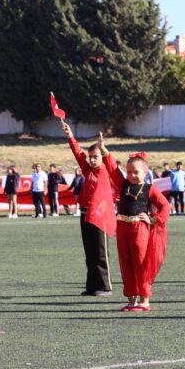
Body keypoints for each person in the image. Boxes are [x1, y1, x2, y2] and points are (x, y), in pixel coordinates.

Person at [103, 143, 170, 312]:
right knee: (125, 262)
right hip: (122, 227)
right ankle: (131, 299)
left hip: (140, 229)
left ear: (145, 172)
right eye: (129, 172)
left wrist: (153, 219)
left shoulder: (149, 189)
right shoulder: (123, 184)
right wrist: (104, 151)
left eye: (136, 172)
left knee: (141, 263)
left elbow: (165, 206)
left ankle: (144, 299)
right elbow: (112, 169)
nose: (132, 175)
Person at [62, 121, 115, 296]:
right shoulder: (87, 169)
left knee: (100, 253)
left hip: (100, 216)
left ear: (102, 157)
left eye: (95, 156)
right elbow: (78, 152)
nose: (92, 159)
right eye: (90, 156)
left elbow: (110, 162)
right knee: (90, 252)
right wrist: (70, 135)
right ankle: (92, 286)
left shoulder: (105, 170)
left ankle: (105, 286)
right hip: (85, 214)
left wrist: (104, 150)